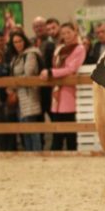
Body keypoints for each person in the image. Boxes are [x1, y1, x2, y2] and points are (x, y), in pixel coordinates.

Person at [40, 22, 85, 151]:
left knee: (70, 133)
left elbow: (71, 69)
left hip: (69, 93)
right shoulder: (59, 48)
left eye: (68, 32)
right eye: (63, 33)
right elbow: (57, 65)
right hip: (57, 93)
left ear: (75, 32)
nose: (66, 36)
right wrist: (53, 72)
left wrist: (51, 73)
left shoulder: (79, 48)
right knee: (57, 133)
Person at [9, 31, 42, 151]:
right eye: (15, 42)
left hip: (29, 94)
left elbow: (28, 73)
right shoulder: (15, 57)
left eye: (20, 41)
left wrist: (14, 82)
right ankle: (28, 152)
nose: (17, 44)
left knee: (32, 127)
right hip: (19, 94)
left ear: (25, 41)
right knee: (24, 128)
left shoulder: (30, 54)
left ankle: (36, 152)